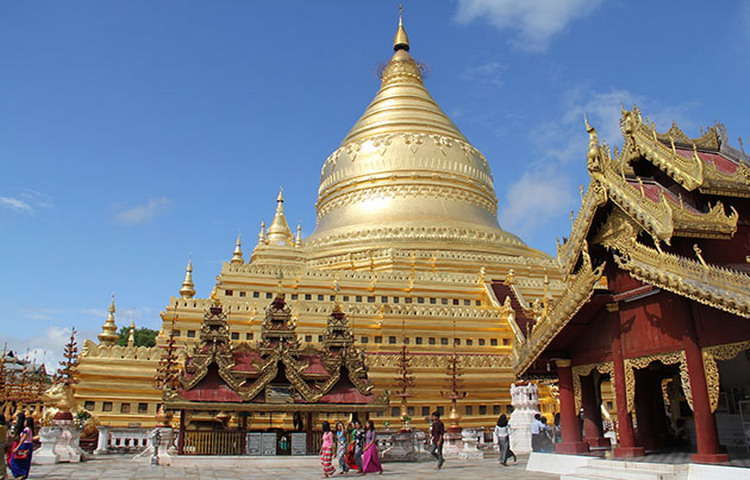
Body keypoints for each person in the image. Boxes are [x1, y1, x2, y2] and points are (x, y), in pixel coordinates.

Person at [0, 414, 7, 480]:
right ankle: (3, 473)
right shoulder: (4, 426)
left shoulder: (1, 427)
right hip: (2, 443)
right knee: (2, 459)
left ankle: (2, 474)